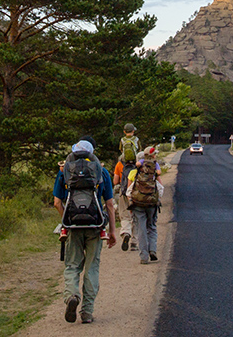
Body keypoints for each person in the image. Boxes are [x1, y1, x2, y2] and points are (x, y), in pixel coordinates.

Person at [54, 139, 117, 324]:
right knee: (91, 269)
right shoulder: (101, 171)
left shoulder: (64, 171)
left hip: (73, 226)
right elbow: (110, 204)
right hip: (95, 226)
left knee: (72, 265)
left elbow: (57, 203)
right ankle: (87, 312)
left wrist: (66, 220)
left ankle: (72, 296)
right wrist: (112, 231)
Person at [126, 146, 162, 265]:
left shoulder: (135, 171)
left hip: (138, 203)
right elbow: (160, 188)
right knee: (151, 226)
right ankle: (153, 250)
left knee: (141, 229)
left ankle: (144, 256)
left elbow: (129, 190)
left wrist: (131, 201)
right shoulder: (154, 170)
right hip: (151, 202)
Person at [117, 123, 140, 251]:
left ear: (124, 131)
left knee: (124, 215)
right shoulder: (139, 167)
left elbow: (116, 180)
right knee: (136, 216)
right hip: (136, 192)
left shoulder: (120, 165)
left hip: (124, 189)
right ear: (133, 131)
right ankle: (134, 243)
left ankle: (126, 233)